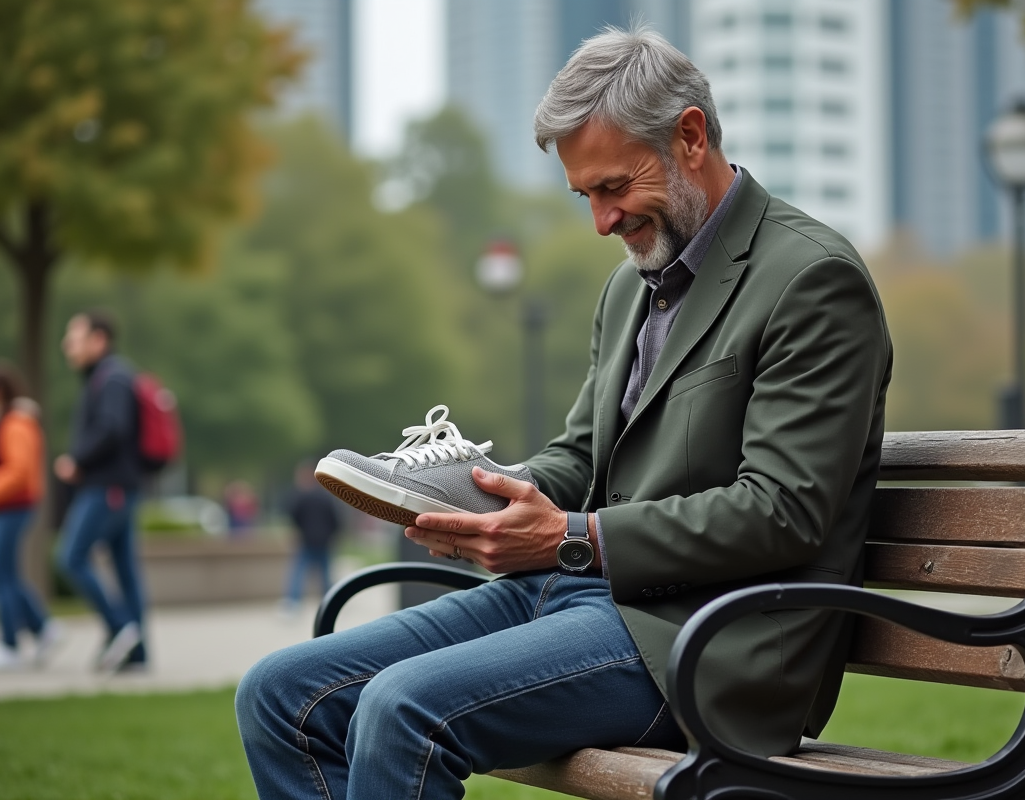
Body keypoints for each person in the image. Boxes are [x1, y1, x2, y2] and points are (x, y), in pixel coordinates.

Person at [236, 27, 892, 799]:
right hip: (583, 596)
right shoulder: (629, 288)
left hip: (711, 642)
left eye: (614, 187)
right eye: (586, 196)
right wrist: (488, 497)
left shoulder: (811, 279)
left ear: (690, 137)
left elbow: (784, 511)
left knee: (401, 708)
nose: (602, 222)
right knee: (279, 695)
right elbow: (581, 455)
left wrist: (575, 538)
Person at [55, 311, 148, 673]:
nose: (67, 345)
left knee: (70, 557)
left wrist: (76, 459)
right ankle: (137, 652)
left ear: (99, 340)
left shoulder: (112, 378)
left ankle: (120, 627)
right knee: (125, 570)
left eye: (75, 338)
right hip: (118, 486)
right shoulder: (110, 376)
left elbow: (112, 427)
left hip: (107, 486)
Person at [0, 362, 61, 671]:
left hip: (14, 507)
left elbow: (18, 471)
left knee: (1, 575)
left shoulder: (16, 423)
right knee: (6, 574)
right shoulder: (7, 420)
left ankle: (11, 643)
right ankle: (43, 628)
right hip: (7, 507)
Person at [282, 461, 342, 611]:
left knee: (298, 573)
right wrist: (332, 535)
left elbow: (293, 516)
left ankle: (293, 602)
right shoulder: (326, 496)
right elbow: (335, 519)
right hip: (324, 540)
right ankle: (330, 602)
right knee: (325, 574)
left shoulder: (301, 496)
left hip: (307, 540)